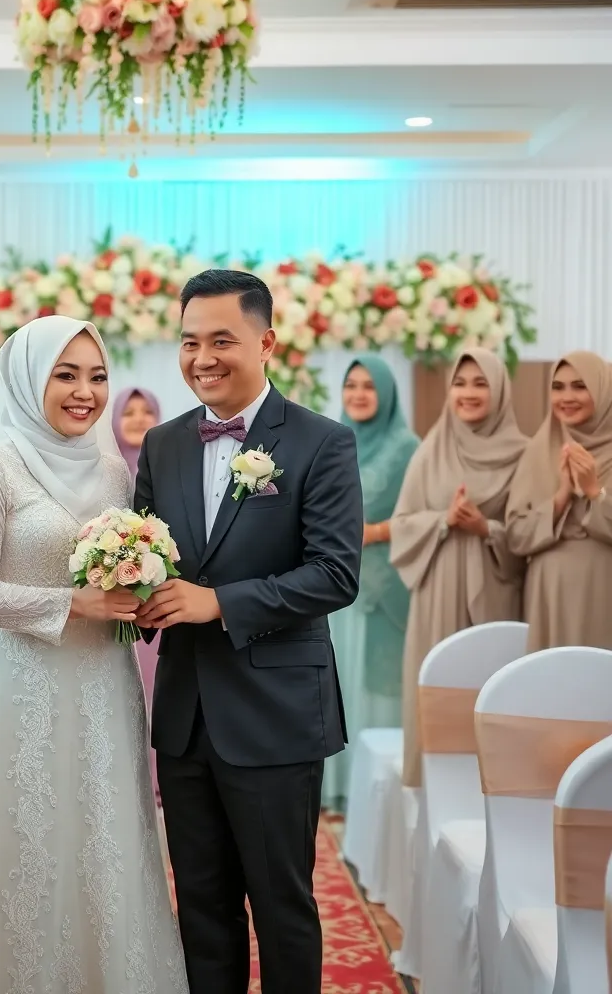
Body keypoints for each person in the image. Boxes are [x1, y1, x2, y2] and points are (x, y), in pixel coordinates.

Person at [0, 316, 188, 993]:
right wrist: (73, 605)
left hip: (104, 681)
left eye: (97, 376)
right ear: (28, 378)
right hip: (22, 687)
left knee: (103, 845)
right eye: (65, 375)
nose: (85, 393)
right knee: (27, 848)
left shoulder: (111, 472)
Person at [133, 268, 362, 994]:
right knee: (201, 907)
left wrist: (218, 604)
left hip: (277, 716)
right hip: (186, 716)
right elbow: (151, 551)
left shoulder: (322, 442)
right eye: (190, 341)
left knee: (281, 906)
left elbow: (335, 574)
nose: (203, 357)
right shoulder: (164, 444)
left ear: (266, 341)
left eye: (222, 340)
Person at [390, 348, 526, 787]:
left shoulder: (525, 454)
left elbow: (532, 533)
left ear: (500, 391)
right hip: (438, 589)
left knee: (491, 697)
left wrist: (486, 527)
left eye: (480, 383)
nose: (467, 393)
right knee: (437, 695)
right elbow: (404, 523)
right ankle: (433, 793)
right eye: (460, 383)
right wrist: (443, 522)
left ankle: (495, 797)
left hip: (496, 590)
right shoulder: (431, 450)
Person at [323, 356, 419, 808]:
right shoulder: (331, 441)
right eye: (351, 385)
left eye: (369, 386)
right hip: (331, 582)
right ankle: (335, 786)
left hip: (383, 585)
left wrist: (373, 532)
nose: (358, 394)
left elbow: (425, 517)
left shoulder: (407, 448)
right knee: (336, 681)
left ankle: (376, 803)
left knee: (375, 687)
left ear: (387, 393)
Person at [506, 351, 612, 652]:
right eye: (558, 387)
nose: (567, 396)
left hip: (603, 589)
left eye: (580, 386)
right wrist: (561, 497)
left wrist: (594, 491)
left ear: (603, 390)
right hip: (548, 594)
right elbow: (515, 536)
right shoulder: (538, 450)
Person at [113, 386, 162, 798]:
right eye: (129, 412)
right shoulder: (102, 468)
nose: (138, 419)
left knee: (156, 685)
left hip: (158, 600)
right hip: (110, 604)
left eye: (147, 412)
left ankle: (161, 779)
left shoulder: (166, 467)